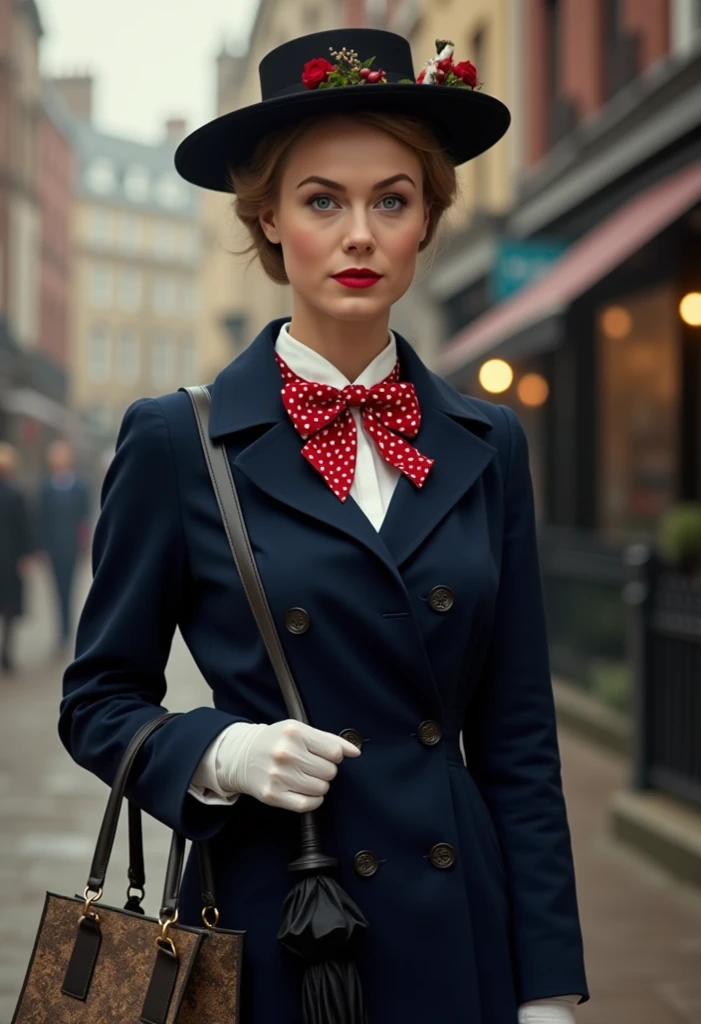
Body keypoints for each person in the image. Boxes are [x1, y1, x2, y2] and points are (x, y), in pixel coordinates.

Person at [60, 28, 589, 1024]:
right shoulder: (179, 439)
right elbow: (98, 699)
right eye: (320, 201)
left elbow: (518, 739)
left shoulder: (487, 442)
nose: (359, 234)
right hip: (273, 927)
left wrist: (548, 984)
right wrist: (219, 753)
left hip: (456, 936)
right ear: (265, 220)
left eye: (391, 198)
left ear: (427, 218)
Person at [38, 439, 90, 653]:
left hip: (72, 547)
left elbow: (84, 519)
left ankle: (67, 633)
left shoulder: (80, 487)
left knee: (69, 589)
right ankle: (61, 632)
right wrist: (40, 547)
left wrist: (85, 544)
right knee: (57, 591)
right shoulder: (46, 488)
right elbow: (40, 520)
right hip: (53, 548)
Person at [0, 443, 32, 675]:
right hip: (9, 560)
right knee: (9, 610)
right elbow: (24, 529)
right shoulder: (16, 494)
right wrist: (25, 557)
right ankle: (6, 655)